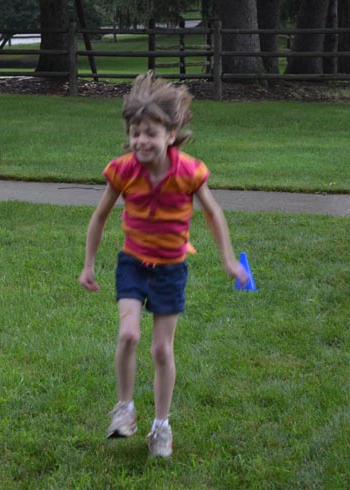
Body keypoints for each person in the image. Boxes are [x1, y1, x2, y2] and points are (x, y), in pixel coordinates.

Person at [78, 71, 248, 458]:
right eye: (136, 132)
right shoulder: (122, 170)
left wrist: (227, 259)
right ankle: (124, 410)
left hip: (171, 268)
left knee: (160, 350)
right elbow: (100, 218)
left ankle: (161, 427)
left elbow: (213, 213)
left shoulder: (189, 171)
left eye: (151, 132)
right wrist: (88, 264)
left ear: (170, 134)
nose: (142, 140)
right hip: (133, 264)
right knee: (128, 336)